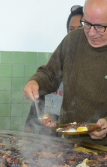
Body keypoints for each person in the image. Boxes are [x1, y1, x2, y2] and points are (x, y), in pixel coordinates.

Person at [23, 0, 107, 152]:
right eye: (87, 24)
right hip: (70, 142)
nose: (91, 33)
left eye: (100, 27)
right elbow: (49, 74)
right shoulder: (72, 40)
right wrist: (35, 81)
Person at [24, 5, 83, 135]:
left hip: (82, 137)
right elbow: (41, 96)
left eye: (80, 29)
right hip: (50, 138)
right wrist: (30, 127)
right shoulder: (59, 61)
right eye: (71, 30)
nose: (74, 35)